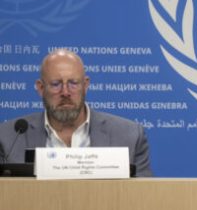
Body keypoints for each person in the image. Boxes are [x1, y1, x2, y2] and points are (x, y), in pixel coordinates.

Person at [0, 48, 152, 176]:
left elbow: (143, 196)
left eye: (73, 83)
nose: (65, 92)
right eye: (56, 84)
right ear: (41, 88)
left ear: (85, 86)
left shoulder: (129, 136)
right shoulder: (8, 138)